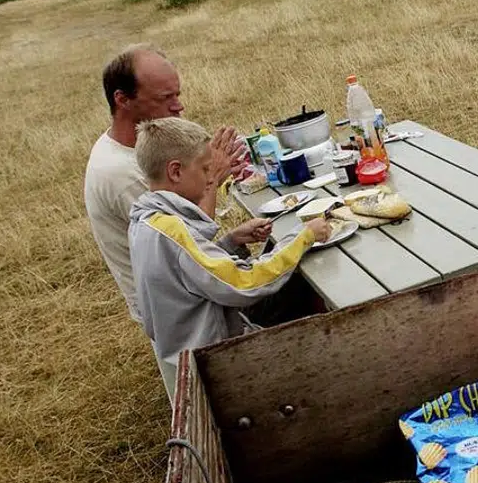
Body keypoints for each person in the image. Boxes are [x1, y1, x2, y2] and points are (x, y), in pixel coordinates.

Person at [128, 117, 332, 397]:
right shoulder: (173, 232)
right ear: (175, 171)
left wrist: (231, 242)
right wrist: (303, 236)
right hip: (219, 363)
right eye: (204, 169)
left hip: (187, 354)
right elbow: (245, 283)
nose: (211, 179)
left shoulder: (145, 222)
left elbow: (188, 273)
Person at [83, 45, 249, 324]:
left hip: (189, 283)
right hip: (183, 310)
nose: (178, 106)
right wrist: (212, 178)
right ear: (123, 100)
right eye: (165, 98)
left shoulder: (140, 147)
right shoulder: (124, 174)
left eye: (177, 94)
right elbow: (188, 241)